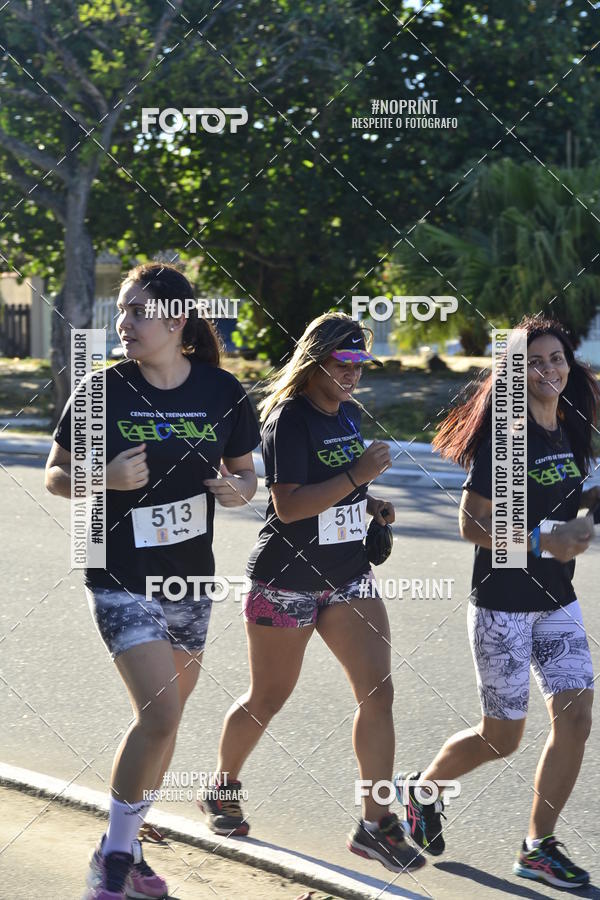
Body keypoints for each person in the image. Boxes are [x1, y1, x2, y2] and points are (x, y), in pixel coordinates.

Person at [45, 263, 260, 900]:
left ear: (177, 321)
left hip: (189, 579)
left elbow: (247, 475)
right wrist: (101, 478)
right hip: (117, 573)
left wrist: (236, 490)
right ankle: (112, 859)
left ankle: (129, 849)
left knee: (162, 723)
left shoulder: (224, 392)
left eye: (139, 311)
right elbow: (55, 474)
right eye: (121, 310)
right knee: (161, 714)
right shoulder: (103, 390)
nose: (125, 322)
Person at [199, 312, 425, 874]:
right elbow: (290, 505)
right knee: (268, 697)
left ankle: (374, 823)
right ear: (316, 360)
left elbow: (340, 490)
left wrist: (371, 505)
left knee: (379, 694)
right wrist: (357, 477)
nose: (353, 376)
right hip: (287, 582)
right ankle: (221, 786)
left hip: (348, 575)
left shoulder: (348, 415)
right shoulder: (287, 421)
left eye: (361, 365)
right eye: (344, 363)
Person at [397, 316, 599, 888]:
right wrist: (540, 541)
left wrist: (591, 503)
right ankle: (424, 789)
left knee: (577, 717)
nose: (548, 369)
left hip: (558, 599)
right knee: (501, 737)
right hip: (503, 603)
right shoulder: (509, 437)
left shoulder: (567, 426)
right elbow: (472, 524)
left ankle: (538, 846)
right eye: (533, 360)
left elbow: (570, 499)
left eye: (556, 358)